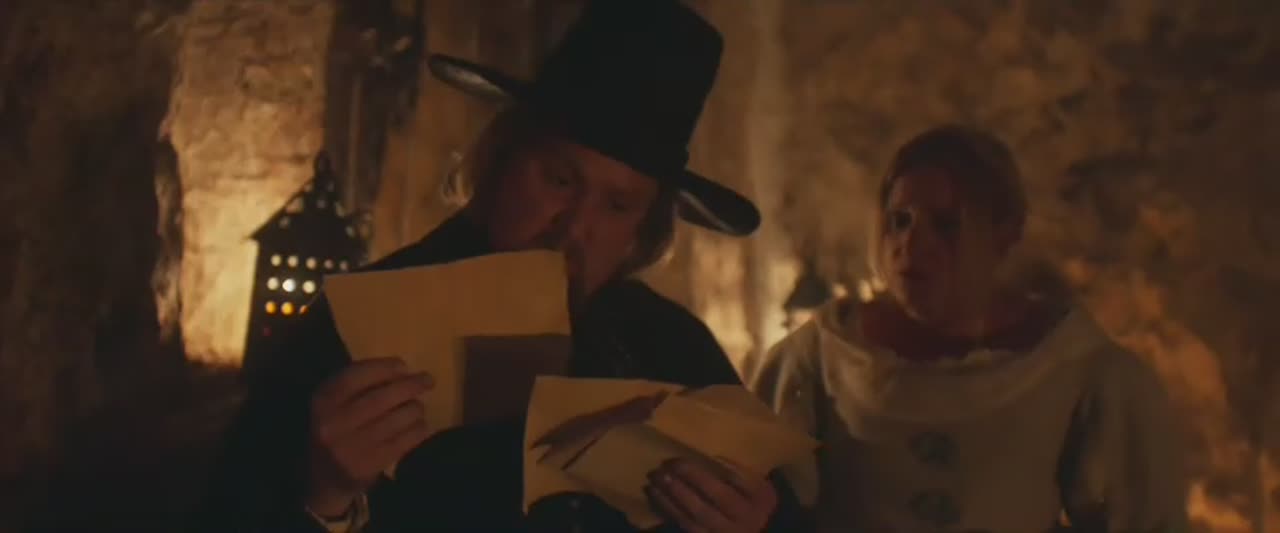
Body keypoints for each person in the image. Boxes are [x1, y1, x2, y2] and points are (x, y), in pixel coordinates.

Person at [196, 2, 806, 532]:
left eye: (618, 206)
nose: (574, 228)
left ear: (641, 233)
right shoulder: (354, 327)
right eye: (559, 179)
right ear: (500, 161)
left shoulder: (674, 348)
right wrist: (324, 497)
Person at [742, 125, 1188, 532]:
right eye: (900, 221)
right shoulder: (824, 357)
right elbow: (760, 506)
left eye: (945, 224)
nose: (911, 244)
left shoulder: (1076, 369)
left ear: (1004, 232)